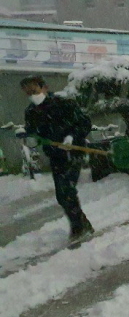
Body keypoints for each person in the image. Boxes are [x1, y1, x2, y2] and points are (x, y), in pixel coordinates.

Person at [18, 75, 95, 244]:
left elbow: (84, 123)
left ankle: (78, 228)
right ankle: (83, 223)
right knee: (62, 195)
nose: (32, 95)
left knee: (66, 190)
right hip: (55, 155)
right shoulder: (31, 112)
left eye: (34, 91)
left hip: (73, 152)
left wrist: (71, 137)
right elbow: (34, 132)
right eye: (28, 93)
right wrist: (29, 137)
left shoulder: (64, 104)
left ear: (44, 88)